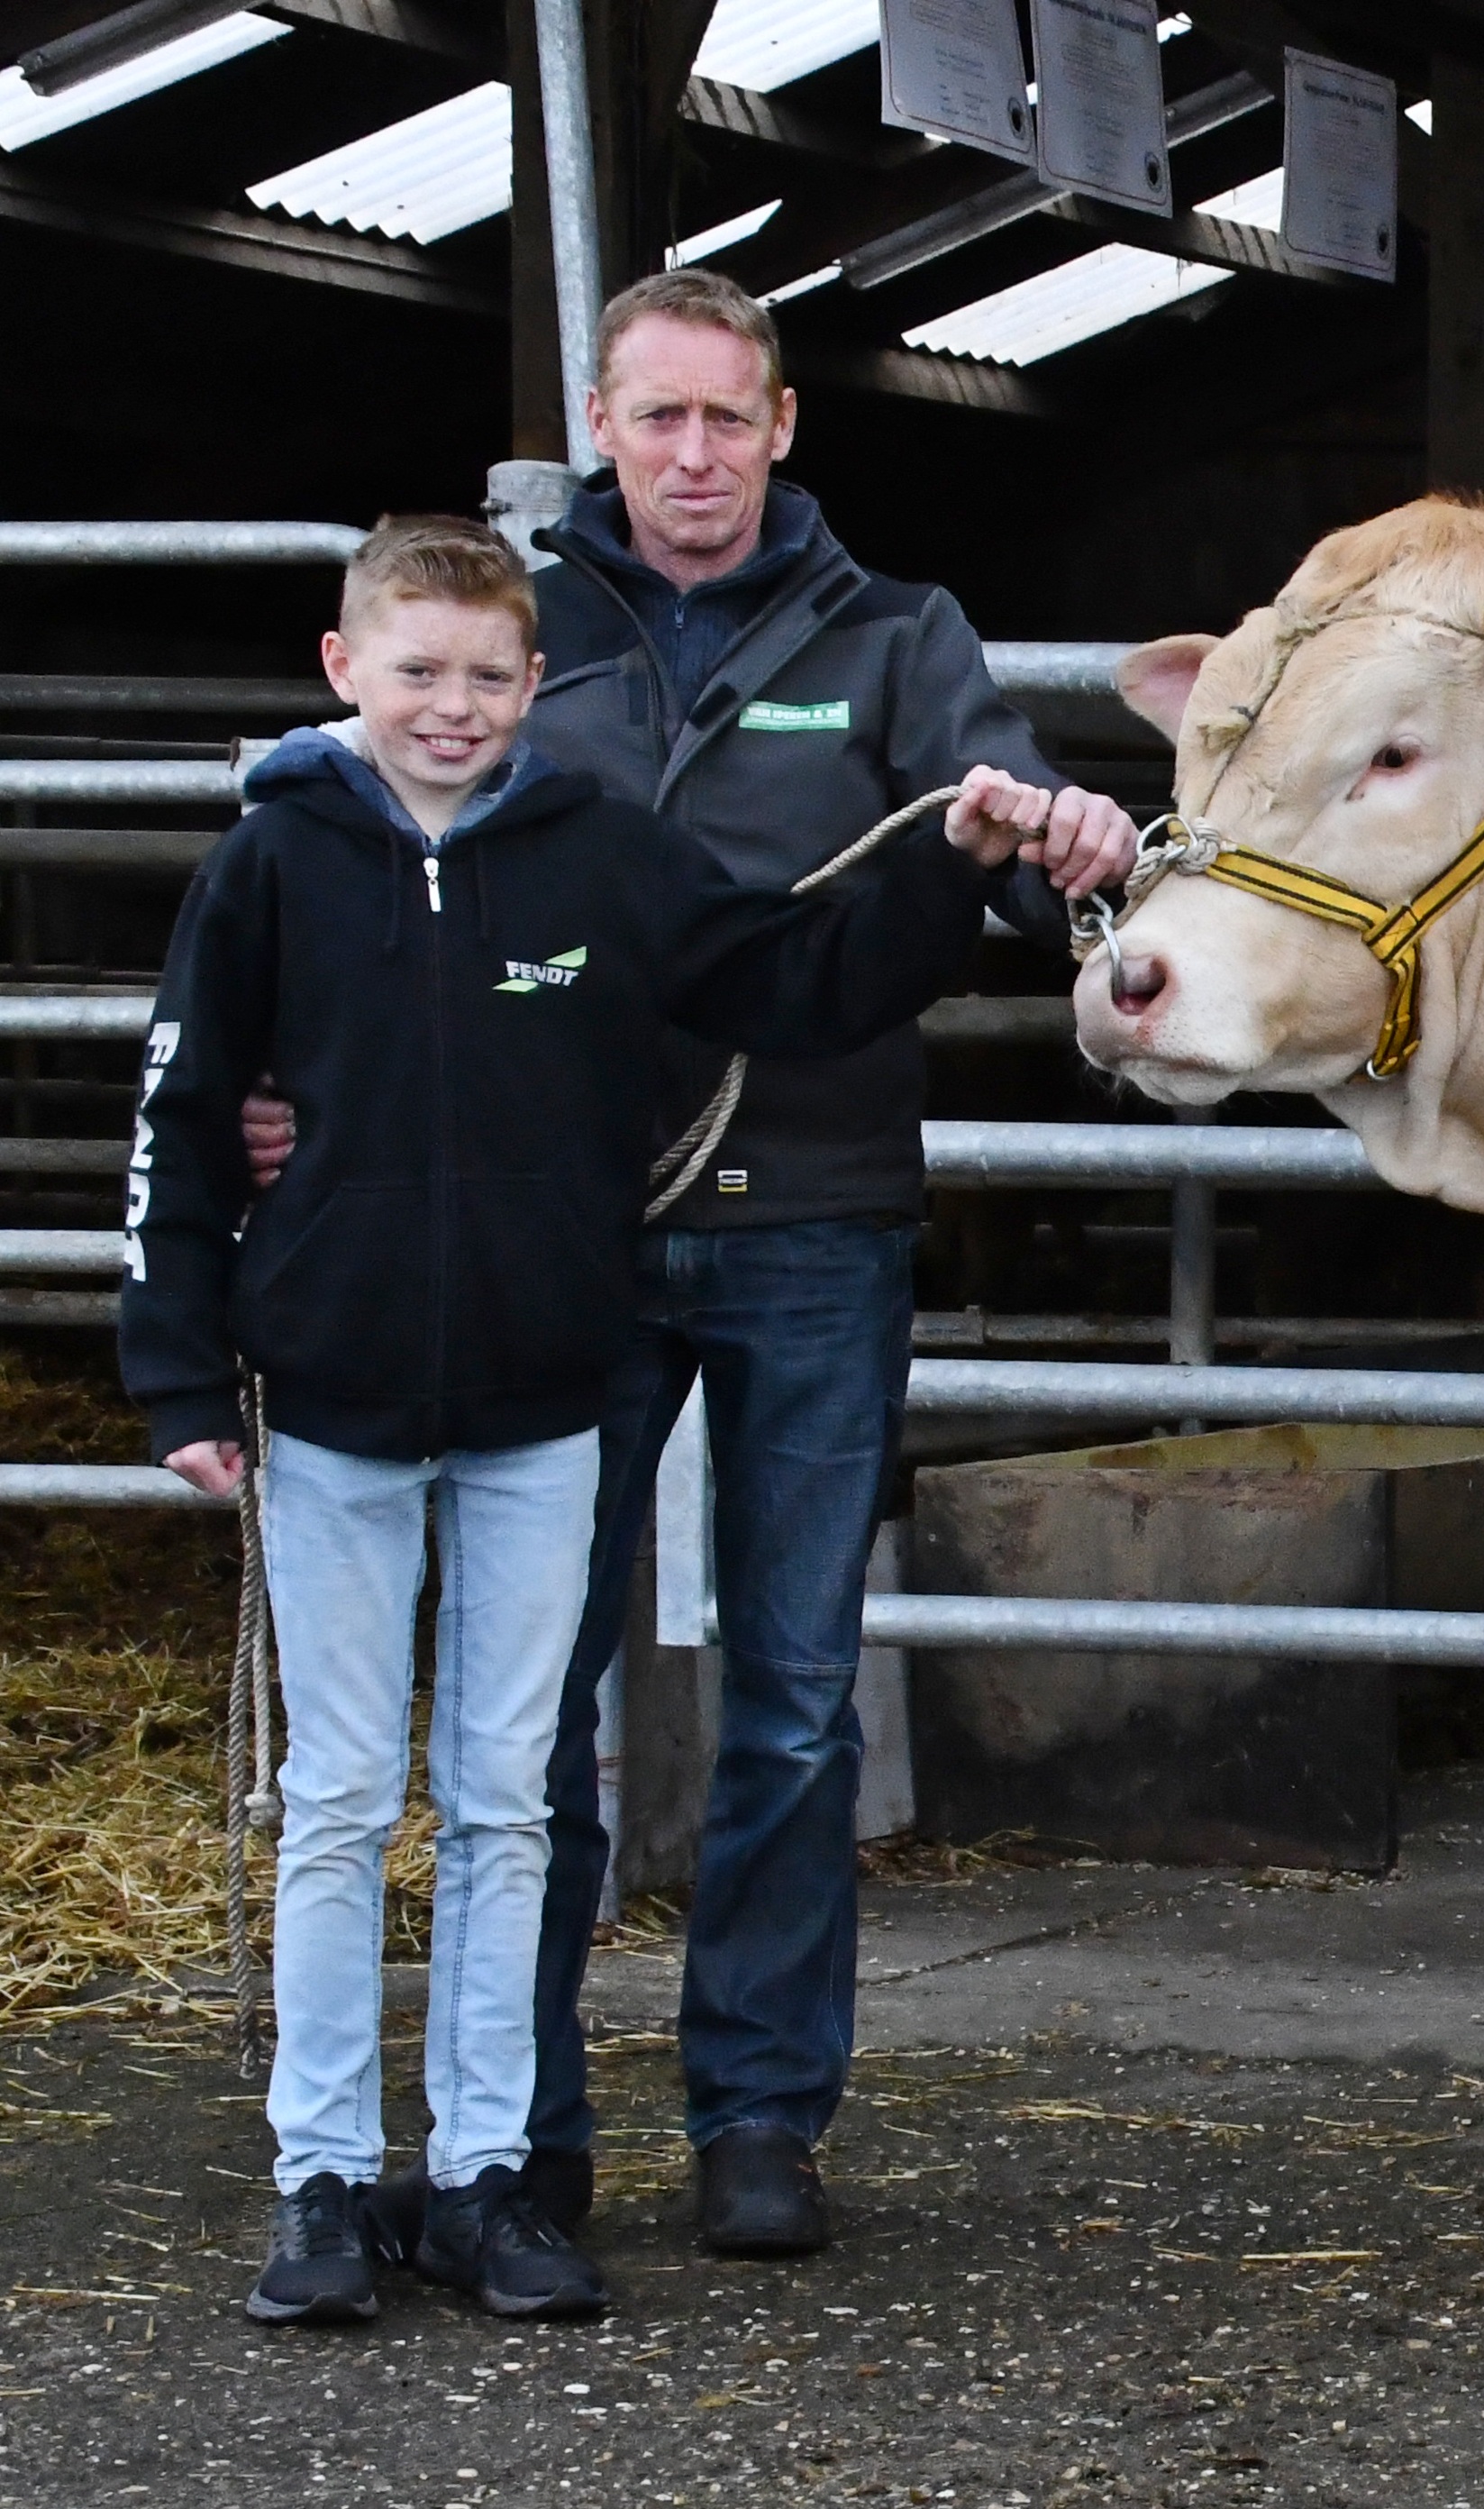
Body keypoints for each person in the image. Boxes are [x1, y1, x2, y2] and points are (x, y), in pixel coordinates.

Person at [254, 271, 1134, 2261]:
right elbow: (363, 844)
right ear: (601, 422)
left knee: (797, 1692)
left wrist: (1057, 838)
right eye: (658, 417)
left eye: (729, 417)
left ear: (783, 425)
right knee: (530, 1700)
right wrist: (283, 1086)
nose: (694, 455)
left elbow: (998, 836)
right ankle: (523, 2131)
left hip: (814, 1212)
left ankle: (757, 2115)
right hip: (564, 1224)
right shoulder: (524, 631)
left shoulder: (896, 634)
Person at [126, 516, 1061, 2325]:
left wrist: (944, 871)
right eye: (417, 671)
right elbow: (185, 1109)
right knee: (336, 1794)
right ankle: (322, 2176)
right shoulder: (271, 861)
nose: (453, 706)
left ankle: (487, 2174)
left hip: (544, 1392)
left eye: (489, 676)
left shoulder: (601, 856)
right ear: (344, 671)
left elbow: (791, 977)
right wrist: (178, 1366)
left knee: (502, 1793)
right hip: (331, 1395)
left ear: (535, 684)